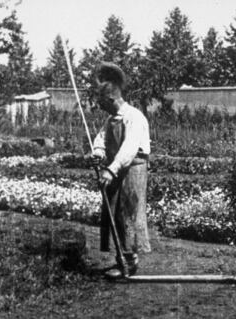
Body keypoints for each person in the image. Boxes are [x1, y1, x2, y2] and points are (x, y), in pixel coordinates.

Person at [89, 61, 150, 279]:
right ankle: (120, 259)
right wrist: (98, 152)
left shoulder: (134, 117)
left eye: (101, 102)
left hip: (132, 170)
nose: (99, 105)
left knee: (128, 214)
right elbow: (101, 139)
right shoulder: (110, 119)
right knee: (113, 212)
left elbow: (129, 148)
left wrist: (111, 169)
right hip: (116, 169)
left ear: (111, 99)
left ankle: (130, 261)